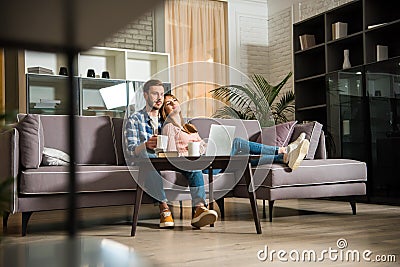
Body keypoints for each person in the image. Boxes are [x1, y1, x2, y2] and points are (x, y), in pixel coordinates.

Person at [124, 80, 218, 229]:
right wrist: (145, 145)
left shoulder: (166, 119)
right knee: (147, 155)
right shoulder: (135, 119)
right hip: (148, 160)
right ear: (146, 95)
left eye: (161, 94)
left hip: (170, 160)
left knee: (191, 161)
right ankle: (164, 208)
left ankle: (199, 208)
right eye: (155, 94)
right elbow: (130, 149)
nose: (159, 98)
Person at [160, 93, 310, 171]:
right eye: (168, 103)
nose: (173, 103)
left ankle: (283, 157)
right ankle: (284, 149)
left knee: (243, 158)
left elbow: (201, 146)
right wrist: (190, 154)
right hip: (200, 166)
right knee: (237, 142)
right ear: (164, 111)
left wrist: (209, 144)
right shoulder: (169, 128)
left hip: (209, 157)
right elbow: (171, 155)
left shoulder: (189, 127)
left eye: (174, 100)